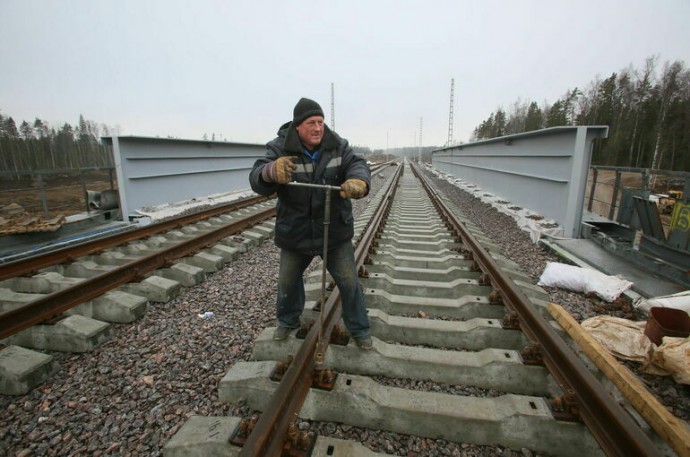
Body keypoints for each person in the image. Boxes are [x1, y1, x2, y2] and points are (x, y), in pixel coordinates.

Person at [249, 97, 373, 349]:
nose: (318, 128)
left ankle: (360, 329)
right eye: (311, 123)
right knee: (287, 281)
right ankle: (287, 321)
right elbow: (256, 178)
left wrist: (360, 181)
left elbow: (357, 164)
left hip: (334, 231)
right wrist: (271, 171)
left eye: (320, 122)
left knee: (349, 281)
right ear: (297, 126)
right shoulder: (279, 149)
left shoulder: (337, 146)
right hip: (296, 231)